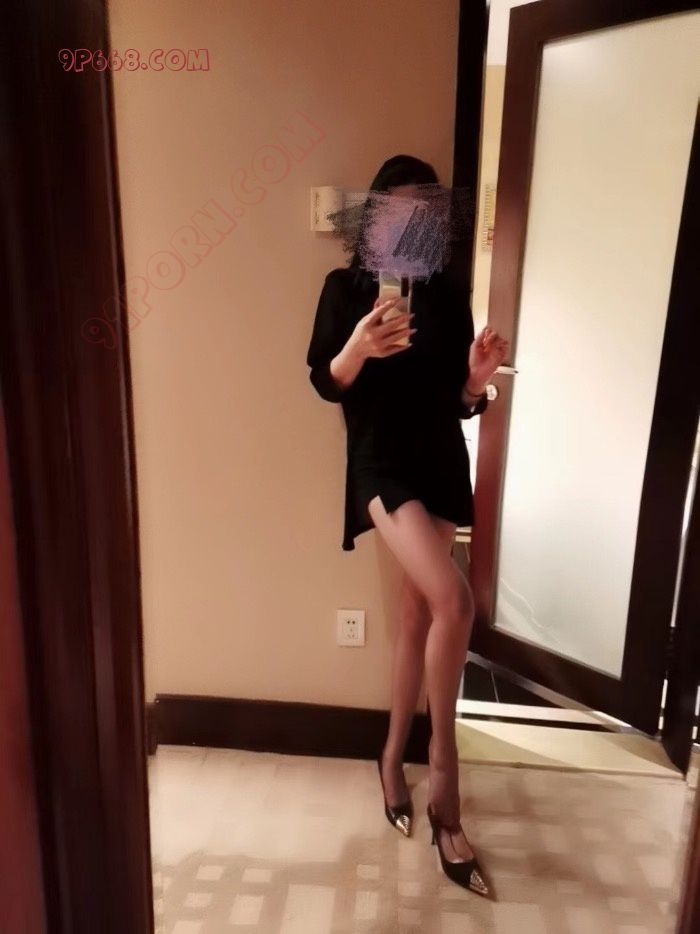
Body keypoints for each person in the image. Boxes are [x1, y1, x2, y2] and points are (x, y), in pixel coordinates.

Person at [306, 155, 509, 895]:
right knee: (455, 600)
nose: (411, 222)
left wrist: (476, 380)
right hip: (380, 466)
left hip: (439, 464)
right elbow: (325, 381)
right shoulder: (346, 289)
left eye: (425, 211)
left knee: (421, 614)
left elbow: (458, 402)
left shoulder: (448, 296)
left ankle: (392, 756)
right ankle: (444, 781)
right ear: (375, 216)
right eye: (398, 209)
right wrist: (359, 346)